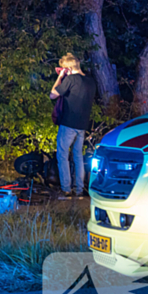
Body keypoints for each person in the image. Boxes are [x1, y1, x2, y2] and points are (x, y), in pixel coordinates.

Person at [49, 53, 96, 199]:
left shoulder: (70, 79)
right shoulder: (90, 82)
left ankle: (66, 190)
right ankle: (79, 190)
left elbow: (53, 94)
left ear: (68, 68)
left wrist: (60, 77)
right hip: (82, 125)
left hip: (68, 123)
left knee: (62, 155)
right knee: (78, 157)